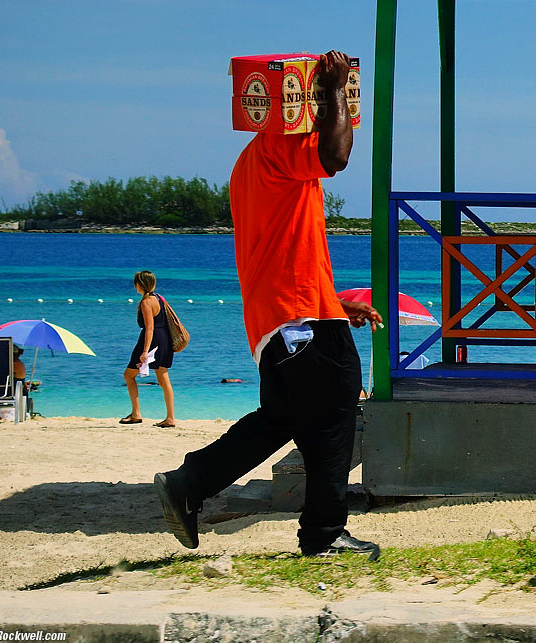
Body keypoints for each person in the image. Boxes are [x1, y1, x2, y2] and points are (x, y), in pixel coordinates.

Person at [154, 51, 383, 560]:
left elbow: (283, 250)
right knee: (337, 403)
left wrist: (337, 303)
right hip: (298, 315)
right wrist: (340, 87)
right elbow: (337, 155)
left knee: (285, 417)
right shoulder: (284, 144)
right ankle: (323, 533)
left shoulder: (249, 162)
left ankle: (188, 484)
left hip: (282, 316)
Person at [121, 270, 176, 428]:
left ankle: (136, 414)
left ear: (140, 284)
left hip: (151, 341)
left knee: (129, 376)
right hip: (164, 339)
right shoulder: (159, 298)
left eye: (136, 282)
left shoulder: (146, 302)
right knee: (164, 379)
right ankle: (170, 417)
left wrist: (145, 352)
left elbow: (149, 328)